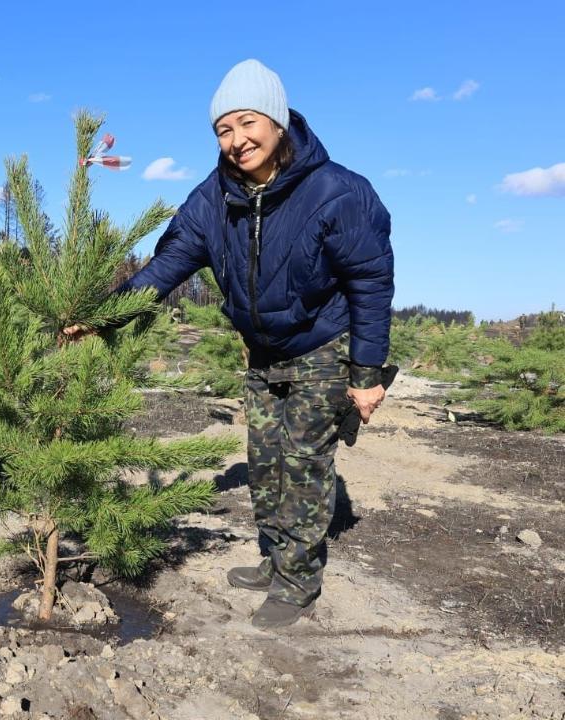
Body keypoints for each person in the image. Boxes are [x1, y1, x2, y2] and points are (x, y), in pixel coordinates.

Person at [68, 59, 394, 628]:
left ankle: (298, 581)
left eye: (247, 123)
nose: (237, 140)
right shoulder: (212, 197)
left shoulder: (338, 193)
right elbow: (166, 267)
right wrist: (106, 316)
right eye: (224, 129)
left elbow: (370, 283)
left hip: (322, 347)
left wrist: (365, 374)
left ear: (279, 121)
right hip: (262, 352)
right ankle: (275, 558)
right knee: (265, 461)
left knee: (304, 463)